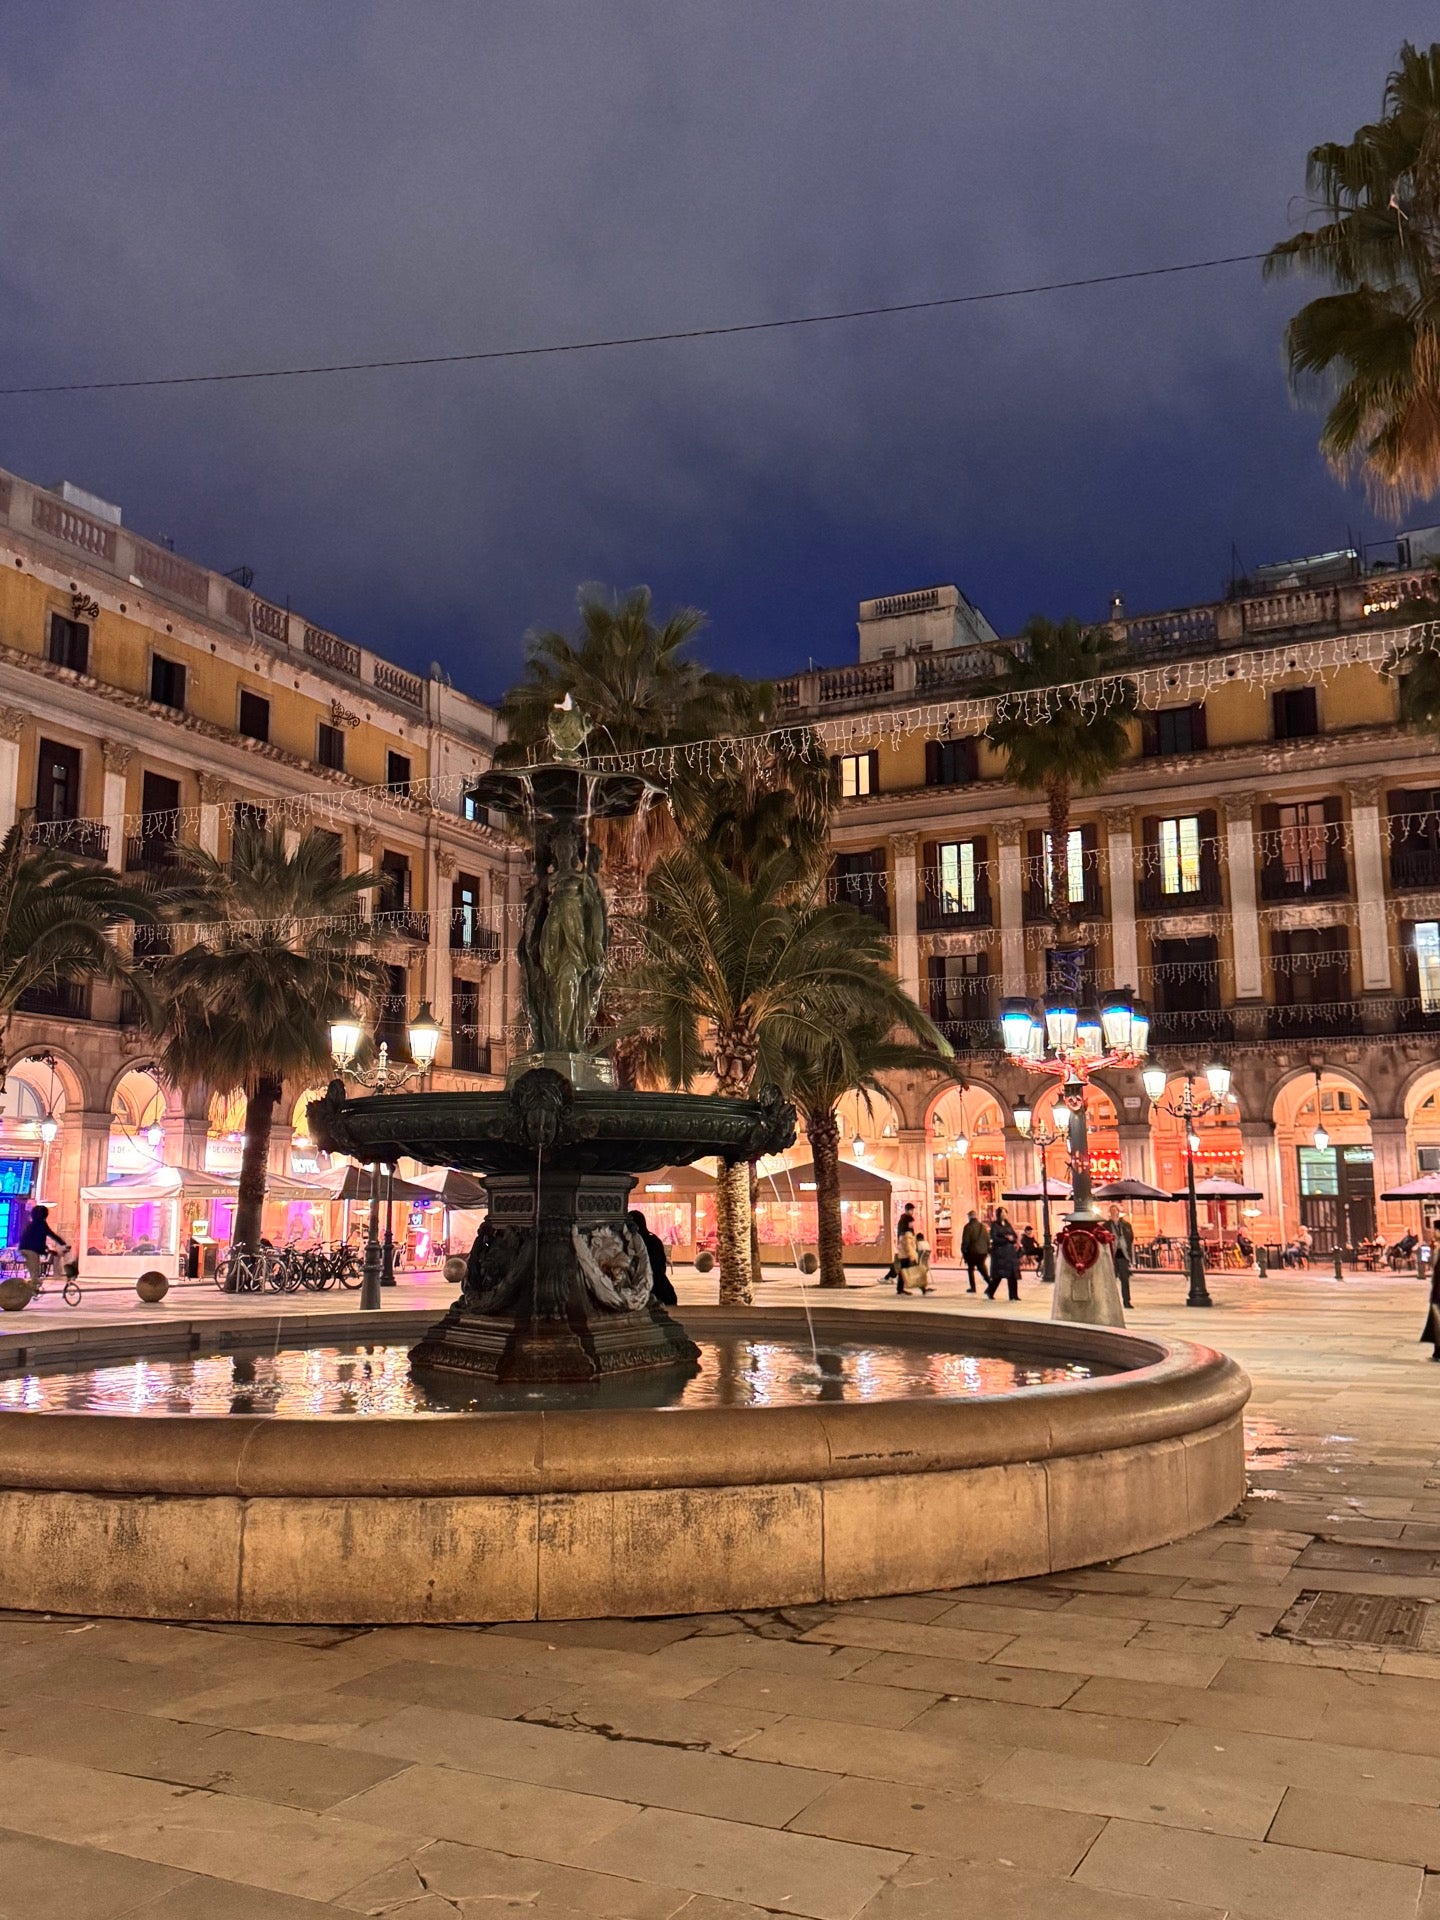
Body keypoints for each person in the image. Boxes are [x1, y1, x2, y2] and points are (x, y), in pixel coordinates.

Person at [626, 1209, 677, 1306]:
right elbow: (662, 1263)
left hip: (648, 1290)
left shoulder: (633, 1242)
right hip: (663, 1289)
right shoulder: (654, 1240)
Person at [18, 1203, 68, 1286]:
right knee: (35, 1272)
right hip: (31, 1250)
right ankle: (31, 1288)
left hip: (24, 1248)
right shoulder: (41, 1224)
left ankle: (32, 1287)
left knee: (33, 1269)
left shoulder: (32, 1224)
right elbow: (51, 1235)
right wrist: (63, 1243)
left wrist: (46, 1249)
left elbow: (36, 1238)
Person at [986, 1208, 1020, 1301]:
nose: (1004, 1215)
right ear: (998, 1214)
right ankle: (990, 1291)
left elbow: (1014, 1235)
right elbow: (994, 1237)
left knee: (1012, 1274)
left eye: (1005, 1213)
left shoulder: (1008, 1224)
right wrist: (1006, 1239)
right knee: (999, 1275)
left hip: (1010, 1253)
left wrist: (1012, 1238)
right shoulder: (995, 1225)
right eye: (1003, 1213)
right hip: (1000, 1253)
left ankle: (1014, 1295)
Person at [1107, 1205, 1134, 1310]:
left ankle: (1127, 1301)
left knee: (1125, 1279)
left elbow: (1130, 1238)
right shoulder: (1106, 1225)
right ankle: (1111, 1301)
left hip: (1122, 1253)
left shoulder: (1126, 1225)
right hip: (1112, 1254)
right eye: (1112, 1210)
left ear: (1118, 1211)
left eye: (1115, 1210)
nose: (1114, 1212)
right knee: (1111, 1280)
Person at [894, 1209, 925, 1295]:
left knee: (903, 1272)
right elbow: (908, 1246)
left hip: (905, 1255)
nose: (912, 1224)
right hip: (907, 1255)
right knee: (915, 1271)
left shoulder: (904, 1232)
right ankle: (922, 1287)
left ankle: (900, 1288)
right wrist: (912, 1255)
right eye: (911, 1223)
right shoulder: (906, 1234)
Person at [959, 1210, 989, 1293]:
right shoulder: (983, 1226)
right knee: (982, 1268)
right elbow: (987, 1239)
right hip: (983, 1252)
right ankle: (990, 1283)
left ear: (969, 1217)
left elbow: (966, 1240)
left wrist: (963, 1250)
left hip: (972, 1252)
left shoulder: (968, 1227)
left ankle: (973, 1287)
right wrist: (987, 1249)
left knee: (970, 1269)